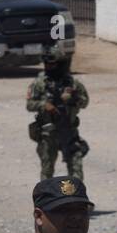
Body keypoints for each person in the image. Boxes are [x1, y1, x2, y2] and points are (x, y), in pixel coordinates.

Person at [27, 50, 89, 180]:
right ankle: (46, 198)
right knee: (47, 172)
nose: (49, 67)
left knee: (76, 172)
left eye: (52, 64)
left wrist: (73, 98)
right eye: (47, 64)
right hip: (49, 134)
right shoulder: (39, 83)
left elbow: (85, 102)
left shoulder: (72, 83)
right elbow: (29, 104)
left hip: (69, 132)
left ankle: (76, 198)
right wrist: (44, 105)